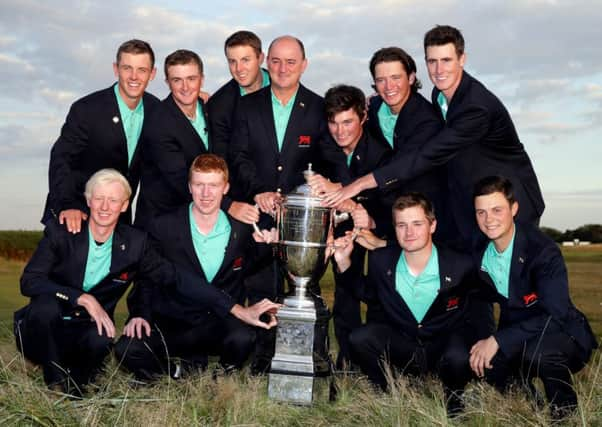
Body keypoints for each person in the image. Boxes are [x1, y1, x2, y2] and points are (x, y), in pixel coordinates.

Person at [15, 169, 276, 394]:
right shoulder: (62, 233)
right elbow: (30, 282)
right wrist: (81, 298)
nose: (105, 207)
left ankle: (76, 380)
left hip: (90, 328)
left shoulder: (135, 244)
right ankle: (54, 381)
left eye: (113, 200)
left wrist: (238, 310)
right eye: (99, 199)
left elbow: (177, 278)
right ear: (88, 201)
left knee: (97, 354)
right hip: (42, 324)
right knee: (45, 309)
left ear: (125, 205)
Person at [324, 25, 545, 250]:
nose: (439, 70)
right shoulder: (439, 94)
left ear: (462, 59)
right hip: (470, 202)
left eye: (446, 60)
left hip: (510, 202)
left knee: (515, 277)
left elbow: (425, 156)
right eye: (432, 62)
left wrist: (357, 185)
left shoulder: (476, 107)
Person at [229, 35, 346, 372]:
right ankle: (263, 357)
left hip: (303, 220)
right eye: (276, 61)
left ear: (304, 65)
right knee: (261, 285)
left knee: (301, 287)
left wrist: (333, 190)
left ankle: (303, 356)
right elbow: (238, 157)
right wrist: (259, 191)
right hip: (261, 212)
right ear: (267, 62)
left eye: (291, 62)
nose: (282, 68)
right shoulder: (247, 105)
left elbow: (329, 158)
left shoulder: (318, 107)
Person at [115, 154, 278, 379]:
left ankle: (222, 376)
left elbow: (247, 268)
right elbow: (147, 276)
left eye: (213, 186)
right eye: (199, 185)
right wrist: (140, 313)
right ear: (189, 187)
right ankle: (176, 373)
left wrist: (266, 247)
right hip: (173, 320)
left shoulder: (243, 229)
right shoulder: (163, 225)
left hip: (218, 321)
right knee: (128, 348)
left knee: (245, 338)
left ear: (226, 188)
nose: (205, 193)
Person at [332, 193, 480, 415]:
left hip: (442, 347)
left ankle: (453, 400)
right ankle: (389, 392)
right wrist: (344, 261)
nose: (409, 232)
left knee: (459, 355)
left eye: (417, 224)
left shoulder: (461, 264)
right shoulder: (381, 260)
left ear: (432, 225)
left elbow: (483, 300)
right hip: (404, 344)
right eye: (401, 225)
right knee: (360, 338)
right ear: (395, 228)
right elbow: (368, 293)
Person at [471, 176, 597, 419]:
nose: (489, 220)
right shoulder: (479, 249)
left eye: (497, 210)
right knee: (483, 359)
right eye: (481, 212)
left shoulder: (543, 251)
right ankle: (530, 409)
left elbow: (555, 314)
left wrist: (498, 339)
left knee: (537, 353)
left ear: (514, 209)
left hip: (561, 332)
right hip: (518, 332)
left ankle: (566, 414)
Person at [306, 84, 390, 369]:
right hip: (341, 229)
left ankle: (378, 361)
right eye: (333, 122)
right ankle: (347, 360)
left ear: (363, 117)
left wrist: (346, 195)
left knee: (379, 293)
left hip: (380, 226)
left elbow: (387, 200)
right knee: (344, 293)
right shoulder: (324, 147)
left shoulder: (381, 150)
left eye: (347, 122)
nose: (340, 131)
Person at [42, 39, 159, 233]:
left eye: (142, 70)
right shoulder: (86, 109)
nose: (134, 76)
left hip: (119, 221)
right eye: (127, 68)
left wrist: (197, 101)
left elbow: (179, 120)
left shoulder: (156, 111)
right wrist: (68, 204)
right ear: (116, 69)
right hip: (76, 215)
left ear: (152, 74)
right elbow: (61, 159)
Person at [134, 49, 258, 230]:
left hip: (203, 221)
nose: (185, 87)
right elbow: (181, 179)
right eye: (177, 80)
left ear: (202, 79)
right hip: (163, 225)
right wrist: (230, 205)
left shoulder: (210, 109)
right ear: (168, 82)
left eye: (191, 79)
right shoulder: (158, 122)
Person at [207, 30, 270, 160]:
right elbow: (223, 160)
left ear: (261, 59)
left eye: (245, 60)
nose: (238, 68)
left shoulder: (284, 85)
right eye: (232, 61)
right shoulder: (218, 106)